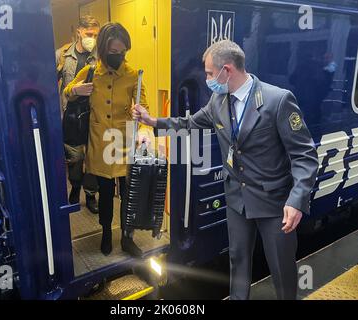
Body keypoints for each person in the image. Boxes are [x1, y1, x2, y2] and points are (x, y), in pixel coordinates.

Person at [133, 40, 319, 300]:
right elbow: (189, 124)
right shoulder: (218, 101)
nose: (207, 78)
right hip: (237, 200)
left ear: (227, 70)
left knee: (281, 265)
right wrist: (153, 122)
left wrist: (297, 200)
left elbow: (305, 155)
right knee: (237, 260)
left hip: (275, 203)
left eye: (209, 73)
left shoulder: (277, 100)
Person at [64, 23, 152, 257]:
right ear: (103, 50)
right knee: (104, 195)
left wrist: (143, 125)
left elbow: (144, 107)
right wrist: (75, 91)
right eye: (113, 52)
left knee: (128, 194)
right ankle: (105, 233)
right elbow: (67, 90)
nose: (118, 57)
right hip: (100, 144)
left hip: (125, 143)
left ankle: (126, 237)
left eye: (122, 52)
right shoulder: (90, 72)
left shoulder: (133, 75)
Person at [56, 16, 100, 213]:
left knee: (92, 160)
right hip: (70, 116)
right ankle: (74, 188)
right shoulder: (62, 55)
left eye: (96, 35)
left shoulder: (100, 56)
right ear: (79, 32)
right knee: (74, 159)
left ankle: (91, 195)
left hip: (93, 115)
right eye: (89, 34)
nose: (93, 38)